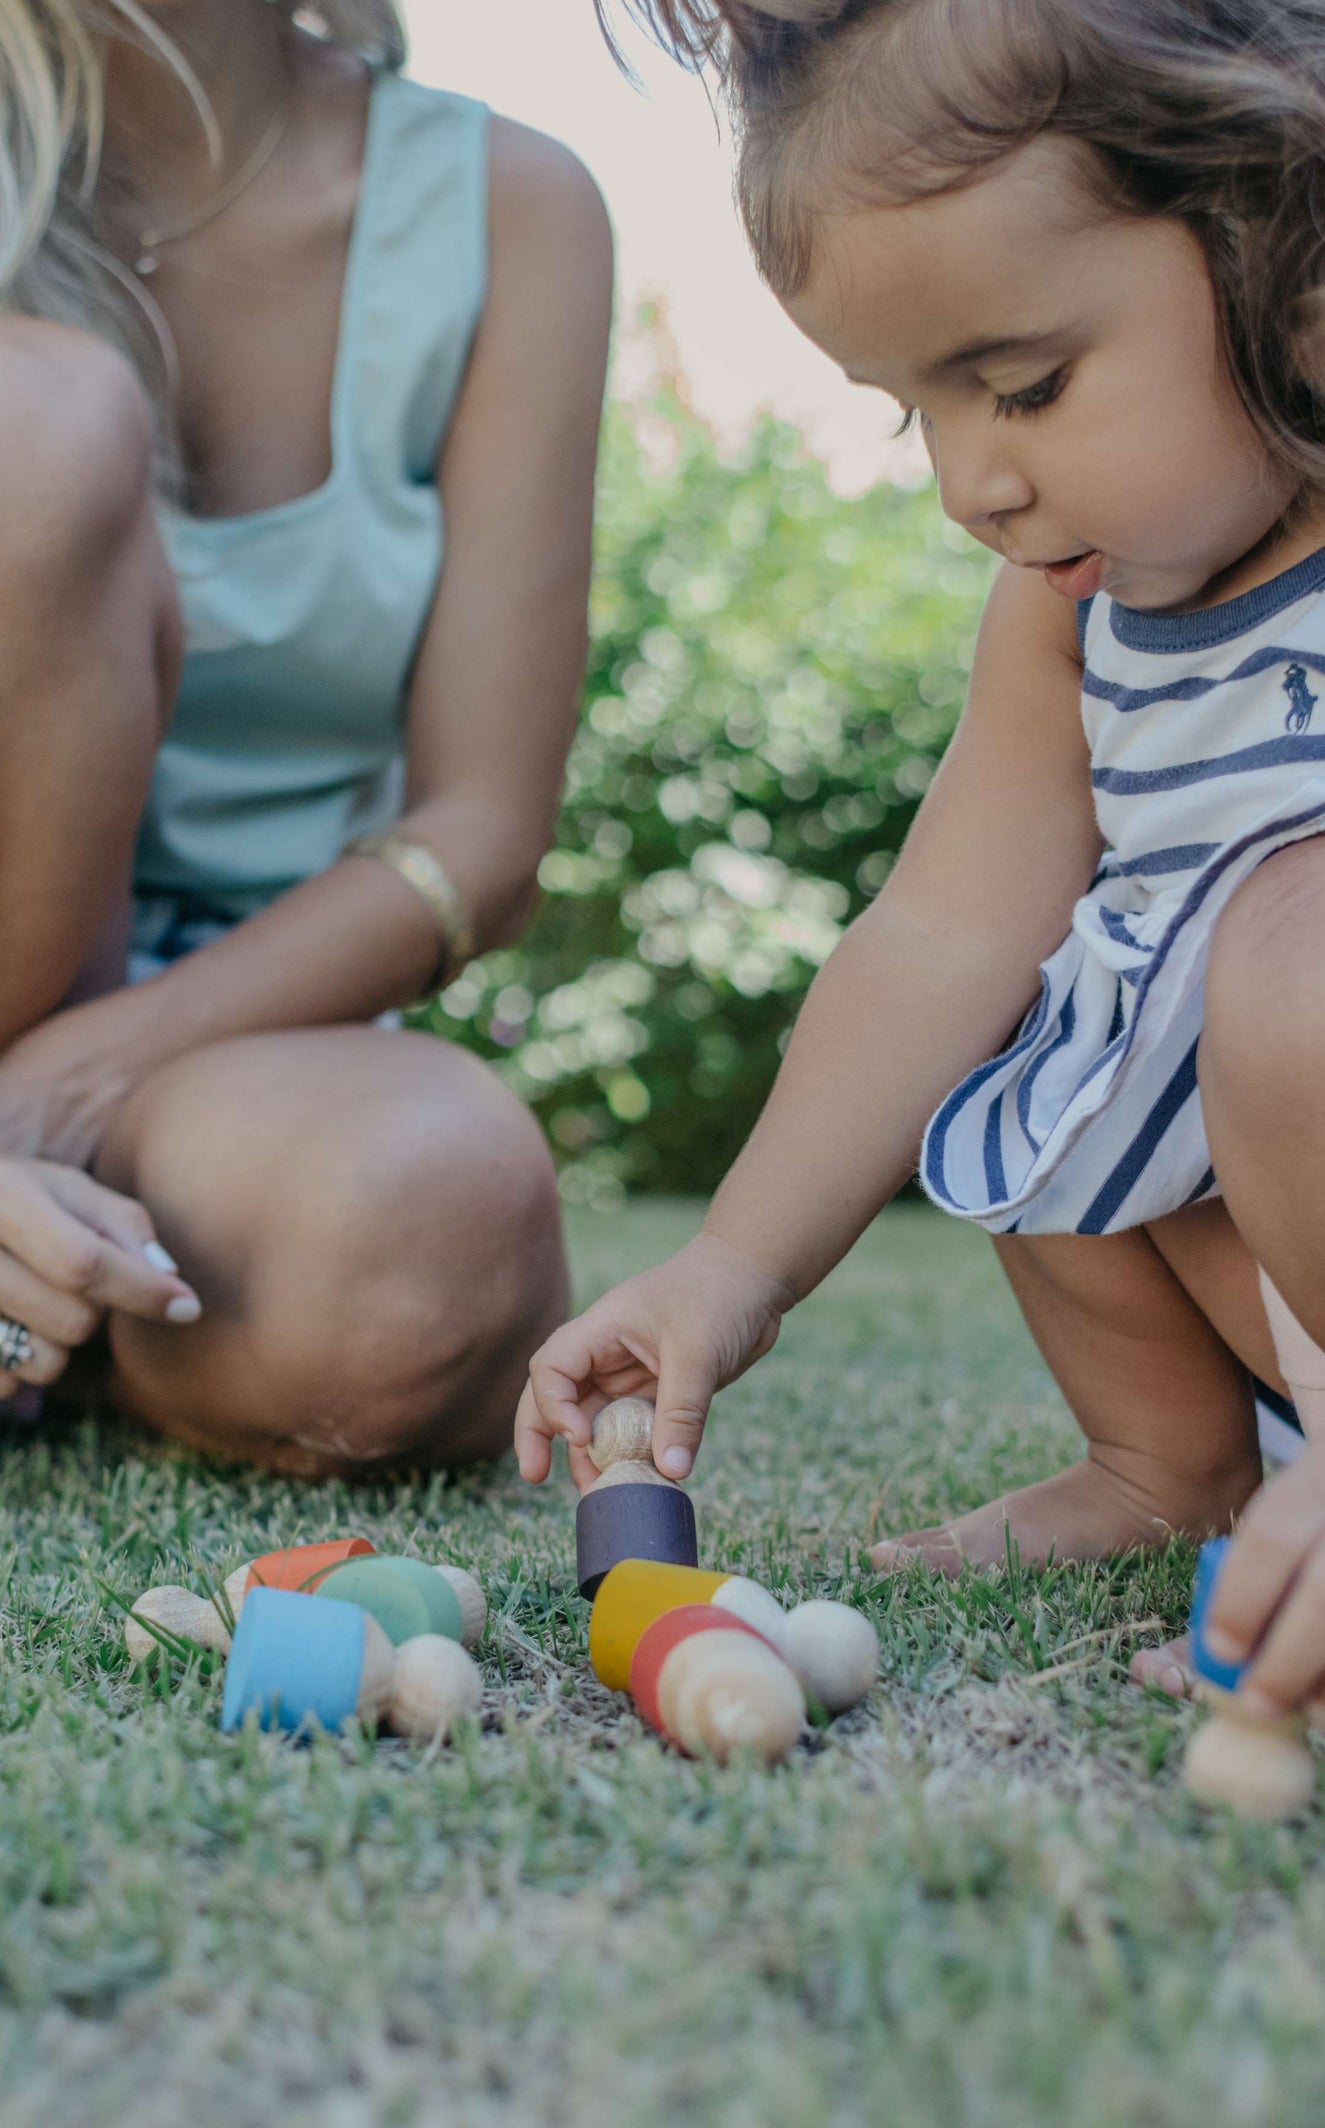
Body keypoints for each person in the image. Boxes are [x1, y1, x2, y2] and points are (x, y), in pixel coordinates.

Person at [519, 0, 1325, 1723]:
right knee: (1047, 998)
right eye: (912, 416)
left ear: (1288, 249)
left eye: (1023, 385)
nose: (971, 483)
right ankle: (1167, 1463)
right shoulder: (1070, 625)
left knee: (1291, 956)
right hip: (1280, 1318)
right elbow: (935, 940)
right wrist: (725, 1272)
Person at [0, 0, 611, 1495]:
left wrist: (44, 1096)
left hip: (226, 1049)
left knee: (425, 1229)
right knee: (14, 425)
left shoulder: (507, 207)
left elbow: (482, 828)